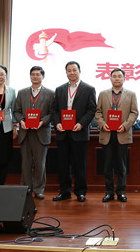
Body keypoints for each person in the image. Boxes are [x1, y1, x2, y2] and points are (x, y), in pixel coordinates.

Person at [50, 61, 96, 202]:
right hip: (63, 132)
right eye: (69, 70)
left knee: (79, 164)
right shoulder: (60, 89)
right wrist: (57, 123)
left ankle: (80, 192)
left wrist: (81, 124)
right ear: (66, 73)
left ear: (79, 71)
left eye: (74, 70)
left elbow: (92, 109)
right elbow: (54, 109)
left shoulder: (89, 89)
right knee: (63, 164)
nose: (72, 73)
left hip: (79, 132)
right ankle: (65, 191)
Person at [95, 68, 138, 202]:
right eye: (114, 76)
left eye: (119, 76)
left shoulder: (131, 94)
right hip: (107, 133)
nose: (117, 78)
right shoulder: (103, 94)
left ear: (124, 78)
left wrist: (125, 125)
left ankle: (121, 192)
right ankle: (109, 192)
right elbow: (98, 112)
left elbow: (134, 113)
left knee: (121, 166)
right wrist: (102, 124)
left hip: (122, 133)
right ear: (110, 78)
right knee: (107, 166)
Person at [13, 66, 54, 200]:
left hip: (41, 132)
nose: (35, 76)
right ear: (30, 76)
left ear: (43, 76)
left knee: (40, 163)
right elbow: (17, 111)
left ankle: (39, 189)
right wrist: (21, 121)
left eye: (38, 74)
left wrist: (42, 122)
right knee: (25, 163)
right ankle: (26, 188)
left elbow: (52, 113)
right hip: (25, 132)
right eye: (33, 74)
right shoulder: (22, 93)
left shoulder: (50, 93)